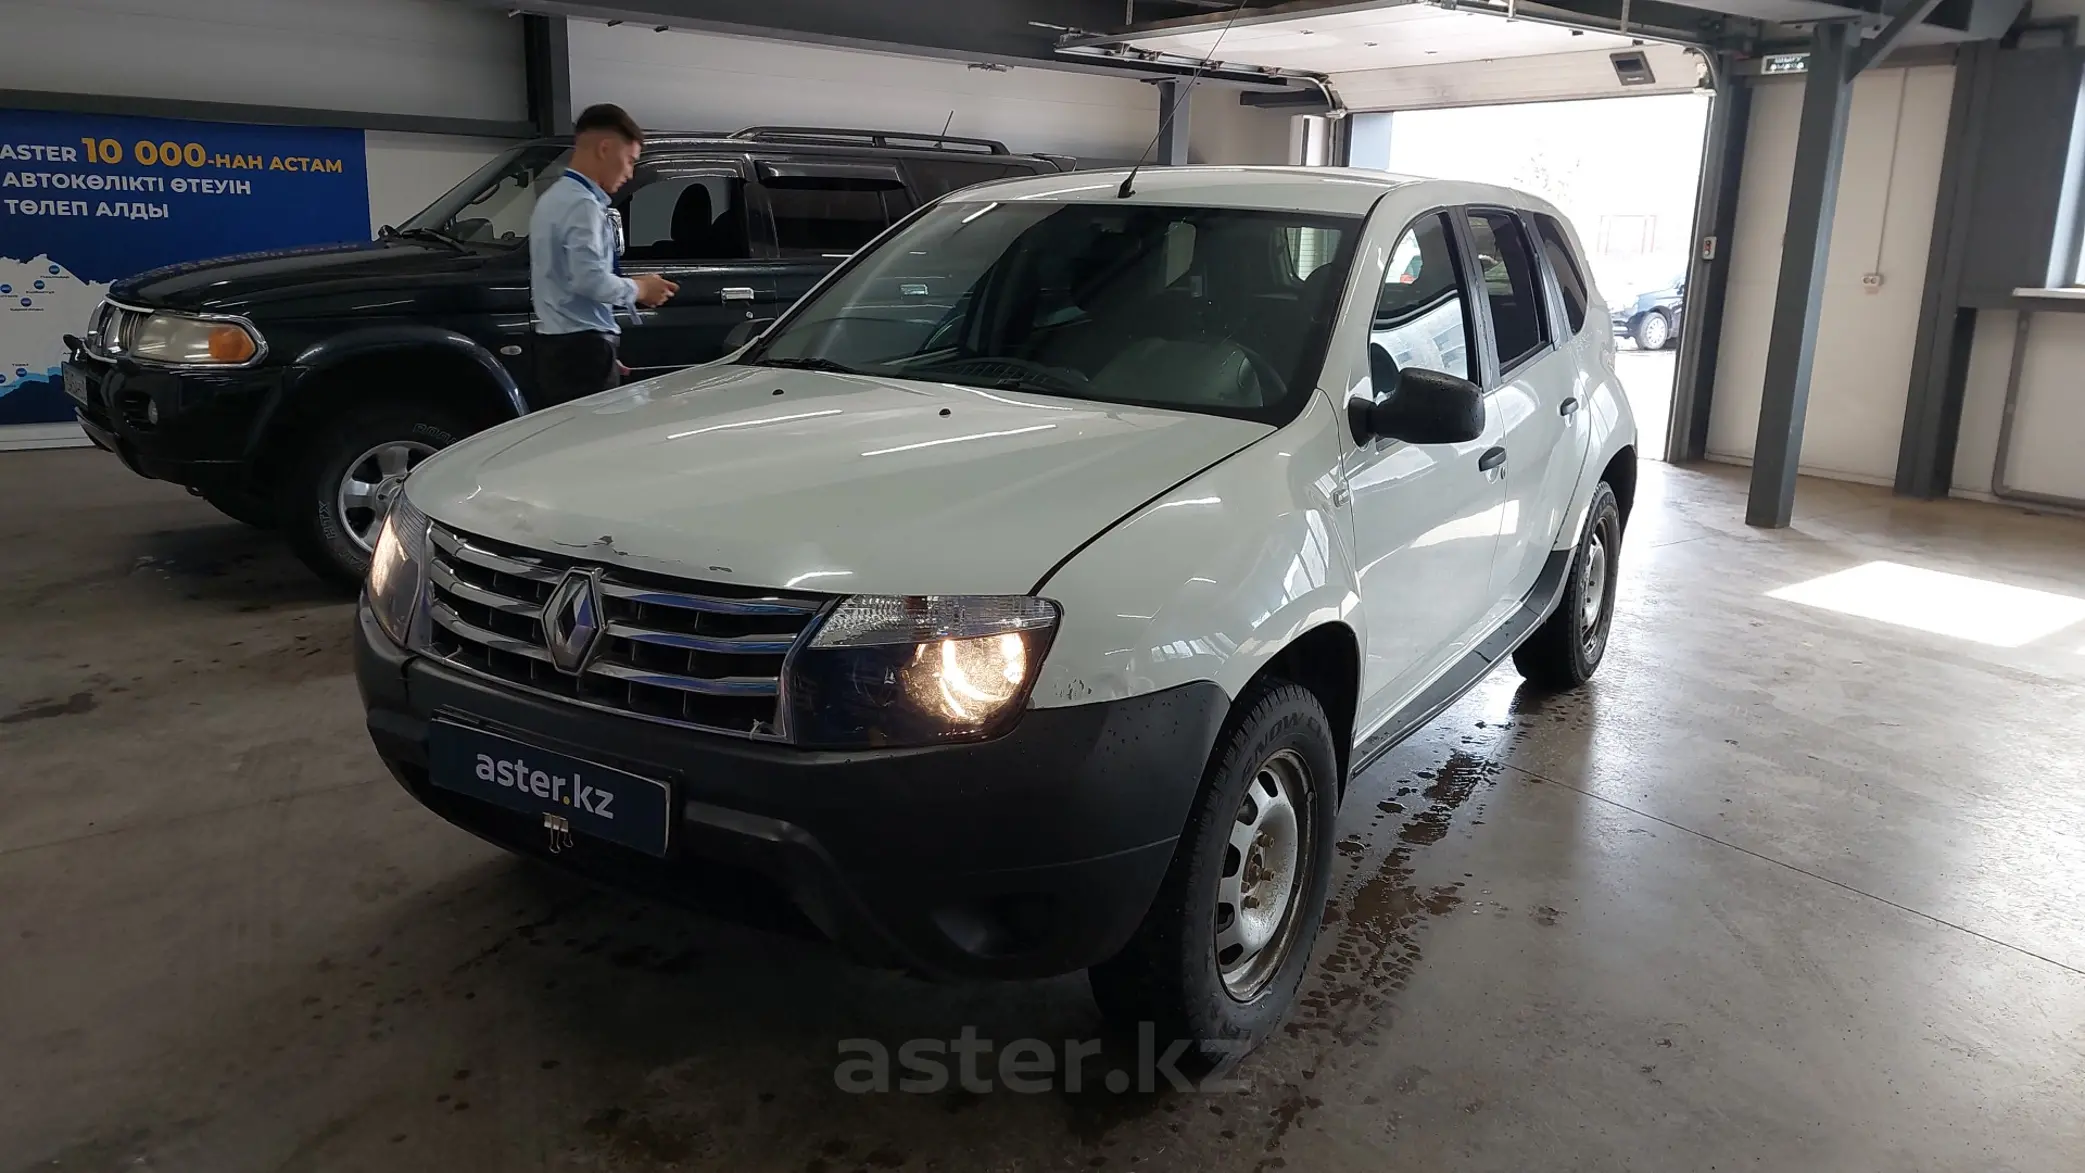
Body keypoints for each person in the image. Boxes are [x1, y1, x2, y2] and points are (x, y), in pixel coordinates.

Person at [529, 103, 677, 405]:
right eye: (630, 160)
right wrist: (641, 288)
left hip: (561, 349)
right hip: (581, 353)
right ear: (605, 148)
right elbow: (590, 281)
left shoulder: (552, 199)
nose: (630, 173)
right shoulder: (583, 206)